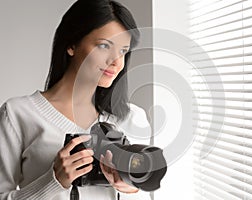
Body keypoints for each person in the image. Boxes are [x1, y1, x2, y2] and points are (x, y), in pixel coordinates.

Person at [0, 0, 152, 199]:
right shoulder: (17, 114)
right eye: (104, 46)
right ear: (72, 44)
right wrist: (53, 181)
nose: (116, 62)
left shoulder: (133, 118)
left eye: (123, 51)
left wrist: (129, 188)